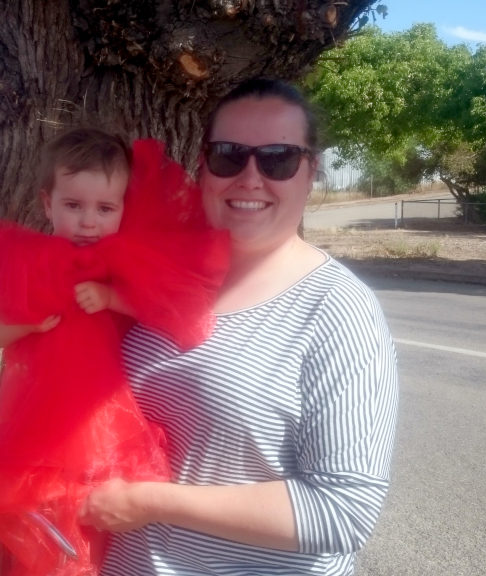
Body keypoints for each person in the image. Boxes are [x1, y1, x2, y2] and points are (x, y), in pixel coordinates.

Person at [80, 78, 400, 575]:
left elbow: (343, 512)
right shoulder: (160, 272)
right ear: (204, 165)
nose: (250, 177)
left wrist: (152, 503)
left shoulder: (337, 309)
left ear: (311, 171)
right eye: (229, 154)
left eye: (278, 158)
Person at [0, 127, 230, 576]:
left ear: (122, 209)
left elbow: (166, 310)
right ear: (47, 203)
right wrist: (28, 322)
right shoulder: (31, 262)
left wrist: (111, 297)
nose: (89, 222)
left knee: (94, 527)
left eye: (105, 208)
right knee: (41, 526)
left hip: (100, 423)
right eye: (73, 206)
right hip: (33, 421)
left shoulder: (122, 264)